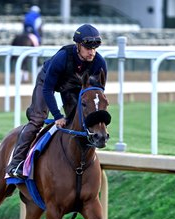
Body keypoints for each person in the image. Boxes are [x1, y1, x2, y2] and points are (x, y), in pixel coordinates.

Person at [6, 24, 107, 178]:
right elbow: (47, 90)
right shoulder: (62, 58)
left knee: (78, 121)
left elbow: (97, 95)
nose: (91, 52)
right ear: (78, 45)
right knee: (37, 120)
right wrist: (58, 115)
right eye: (88, 48)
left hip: (72, 88)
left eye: (94, 48)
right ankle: (16, 162)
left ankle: (80, 162)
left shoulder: (99, 63)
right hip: (48, 82)